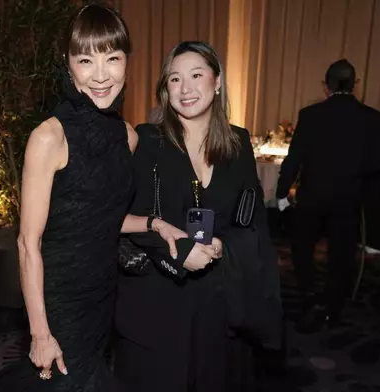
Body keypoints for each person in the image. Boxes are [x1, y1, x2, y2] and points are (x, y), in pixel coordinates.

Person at [0, 5, 184, 391]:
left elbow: (102, 218)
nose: (100, 75)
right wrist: (40, 332)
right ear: (69, 64)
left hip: (102, 292)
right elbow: (28, 244)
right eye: (86, 60)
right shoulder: (50, 137)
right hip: (58, 299)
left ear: (127, 62)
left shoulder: (127, 137)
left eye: (112, 58)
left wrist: (153, 222)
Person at [113, 41, 282, 392]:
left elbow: (252, 221)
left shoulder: (238, 142)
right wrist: (176, 250)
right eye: (175, 79)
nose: (185, 88)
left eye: (196, 75)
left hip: (220, 300)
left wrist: (222, 244)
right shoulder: (148, 140)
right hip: (157, 299)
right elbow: (120, 215)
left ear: (217, 82)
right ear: (165, 89)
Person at [276, 59, 380, 332]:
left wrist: (281, 194)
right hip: (348, 196)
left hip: (312, 195)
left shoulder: (310, 114)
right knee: (341, 254)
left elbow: (294, 158)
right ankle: (333, 309)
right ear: (355, 85)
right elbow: (379, 163)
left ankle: (308, 298)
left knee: (302, 248)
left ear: (325, 86)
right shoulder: (373, 118)